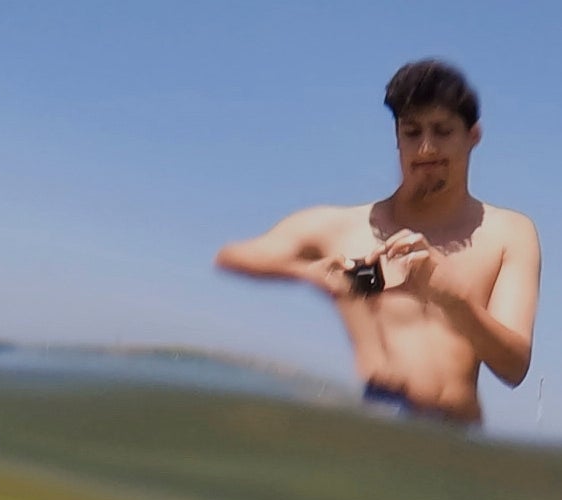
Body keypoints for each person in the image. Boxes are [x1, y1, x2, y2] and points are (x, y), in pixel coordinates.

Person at [215, 60, 541, 425]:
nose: (426, 148)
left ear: (473, 135)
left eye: (443, 131)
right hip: (375, 427)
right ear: (397, 138)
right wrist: (312, 273)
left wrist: (454, 299)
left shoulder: (508, 232)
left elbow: (514, 367)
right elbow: (232, 256)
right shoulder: (345, 227)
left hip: (456, 440)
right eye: (412, 132)